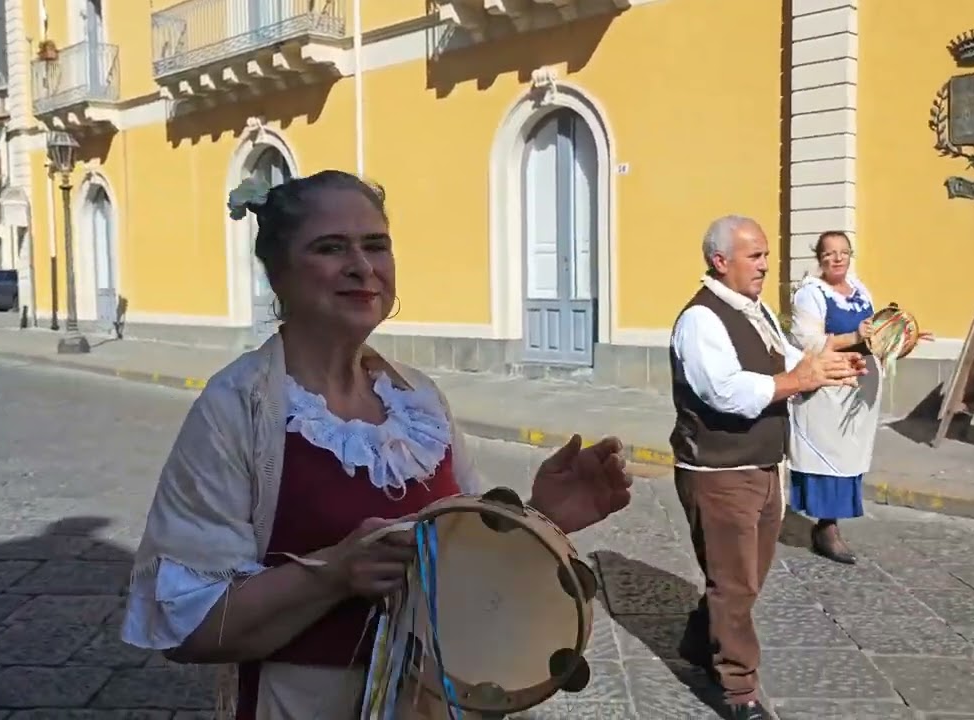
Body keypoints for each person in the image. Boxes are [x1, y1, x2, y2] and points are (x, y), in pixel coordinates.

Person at [121, 170, 633, 720]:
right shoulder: (237, 407)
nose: (362, 267)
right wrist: (334, 573)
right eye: (330, 247)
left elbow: (460, 570)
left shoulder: (419, 400)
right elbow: (188, 626)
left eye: (375, 245)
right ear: (279, 275)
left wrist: (538, 521)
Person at [669, 216, 866, 720]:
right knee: (734, 583)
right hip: (719, 473)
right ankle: (739, 691)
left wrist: (831, 365)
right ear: (721, 261)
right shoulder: (701, 319)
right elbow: (726, 391)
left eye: (764, 255)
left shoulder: (755, 310)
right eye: (754, 255)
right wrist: (798, 379)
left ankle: (699, 640)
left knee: (745, 577)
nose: (764, 264)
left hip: (762, 466)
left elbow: (790, 357)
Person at [788, 231, 931, 564]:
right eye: (829, 253)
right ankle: (827, 526)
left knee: (850, 455)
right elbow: (807, 342)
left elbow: (877, 336)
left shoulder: (859, 289)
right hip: (830, 384)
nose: (837, 259)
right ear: (819, 258)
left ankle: (831, 522)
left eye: (843, 252)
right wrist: (853, 336)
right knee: (827, 454)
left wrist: (901, 339)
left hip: (861, 386)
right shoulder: (811, 294)